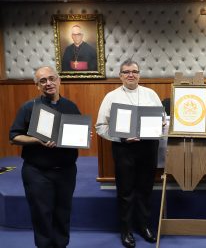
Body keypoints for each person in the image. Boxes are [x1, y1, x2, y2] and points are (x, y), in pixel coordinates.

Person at [9, 66, 81, 248]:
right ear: (37, 86)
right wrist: (36, 140)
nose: (48, 83)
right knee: (42, 216)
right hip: (37, 173)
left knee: (63, 214)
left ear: (59, 80)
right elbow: (14, 137)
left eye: (51, 78)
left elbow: (76, 135)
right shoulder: (28, 107)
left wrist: (82, 136)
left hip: (66, 171)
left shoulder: (71, 106)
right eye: (43, 81)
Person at [95, 59, 162, 248]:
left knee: (145, 190)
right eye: (126, 72)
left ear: (139, 74)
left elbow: (161, 119)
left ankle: (144, 226)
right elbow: (100, 126)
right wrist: (121, 139)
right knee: (125, 192)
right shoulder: (111, 97)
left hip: (148, 148)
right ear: (120, 76)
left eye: (134, 71)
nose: (130, 75)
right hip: (124, 149)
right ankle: (126, 230)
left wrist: (161, 124)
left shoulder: (151, 94)